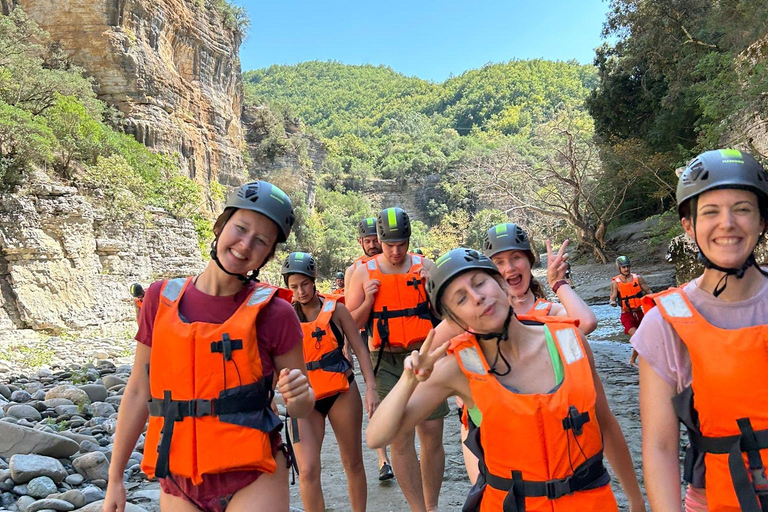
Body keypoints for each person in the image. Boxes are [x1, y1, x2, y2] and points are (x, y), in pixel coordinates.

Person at [367, 248, 646, 512]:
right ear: (455, 320)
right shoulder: (457, 368)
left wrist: (636, 499)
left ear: (501, 284)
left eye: (480, 283)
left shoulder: (569, 340)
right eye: (461, 299)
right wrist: (409, 379)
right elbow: (377, 435)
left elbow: (604, 422)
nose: (477, 297)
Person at [103, 181, 315, 512]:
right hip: (179, 480)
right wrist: (115, 477)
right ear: (220, 226)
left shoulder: (277, 313)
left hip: (254, 475)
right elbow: (137, 390)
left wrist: (300, 397)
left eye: (261, 241)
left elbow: (302, 407)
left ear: (269, 255)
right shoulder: (159, 299)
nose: (245, 245)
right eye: (241, 228)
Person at [632, 149, 768, 512]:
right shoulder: (664, 324)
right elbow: (660, 447)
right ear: (689, 226)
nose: (727, 223)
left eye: (742, 209)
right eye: (710, 212)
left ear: (762, 221)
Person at [432, 222, 599, 484]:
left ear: (529, 262)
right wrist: (459, 388)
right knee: (487, 491)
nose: (509, 268)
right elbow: (431, 348)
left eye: (516, 258)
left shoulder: (548, 312)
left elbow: (586, 323)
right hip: (484, 424)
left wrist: (559, 284)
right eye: (499, 262)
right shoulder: (478, 311)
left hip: (543, 424)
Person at [346, 207, 446, 512]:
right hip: (385, 362)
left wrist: (432, 290)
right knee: (400, 438)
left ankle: (431, 506)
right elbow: (351, 324)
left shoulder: (426, 266)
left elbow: (446, 316)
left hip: (424, 357)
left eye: (401, 244)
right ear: (378, 240)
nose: (395, 251)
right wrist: (368, 300)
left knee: (431, 434)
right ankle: (418, 508)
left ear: (409, 240)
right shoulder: (362, 273)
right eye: (389, 245)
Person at [281, 252, 379, 512]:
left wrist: (371, 388)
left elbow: (360, 349)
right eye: (294, 286)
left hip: (341, 392)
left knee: (353, 462)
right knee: (307, 470)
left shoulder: (337, 310)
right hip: (304, 398)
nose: (300, 291)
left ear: (313, 280)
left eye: (304, 284)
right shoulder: (283, 316)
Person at [344, 216, 393, 481]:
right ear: (360, 242)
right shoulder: (354, 271)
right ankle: (383, 458)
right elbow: (347, 316)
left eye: (376, 240)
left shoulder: (392, 264)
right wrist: (346, 347)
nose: (373, 245)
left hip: (394, 338)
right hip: (367, 339)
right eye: (368, 241)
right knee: (376, 397)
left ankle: (405, 450)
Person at [609, 255, 652, 366]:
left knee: (644, 338)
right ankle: (633, 360)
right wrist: (612, 302)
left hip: (639, 313)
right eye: (623, 267)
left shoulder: (638, 278)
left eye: (628, 266)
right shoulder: (615, 282)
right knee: (638, 337)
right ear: (619, 268)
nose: (626, 269)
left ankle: (638, 360)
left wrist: (655, 298)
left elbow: (648, 291)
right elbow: (613, 296)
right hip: (626, 315)